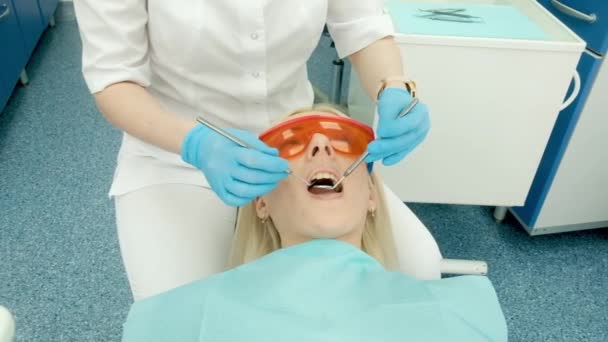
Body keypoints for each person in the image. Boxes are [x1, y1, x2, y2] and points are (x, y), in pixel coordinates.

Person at [73, 0, 431, 300]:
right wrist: (196, 144)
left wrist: (393, 87)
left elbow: (362, 23)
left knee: (420, 265)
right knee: (180, 308)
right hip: (176, 153)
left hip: (293, 143)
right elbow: (113, 78)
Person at [121, 109, 507, 341]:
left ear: (373, 196)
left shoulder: (465, 317)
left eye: (345, 142)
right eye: (292, 143)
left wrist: (392, 80)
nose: (321, 146)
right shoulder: (174, 323)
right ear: (262, 202)